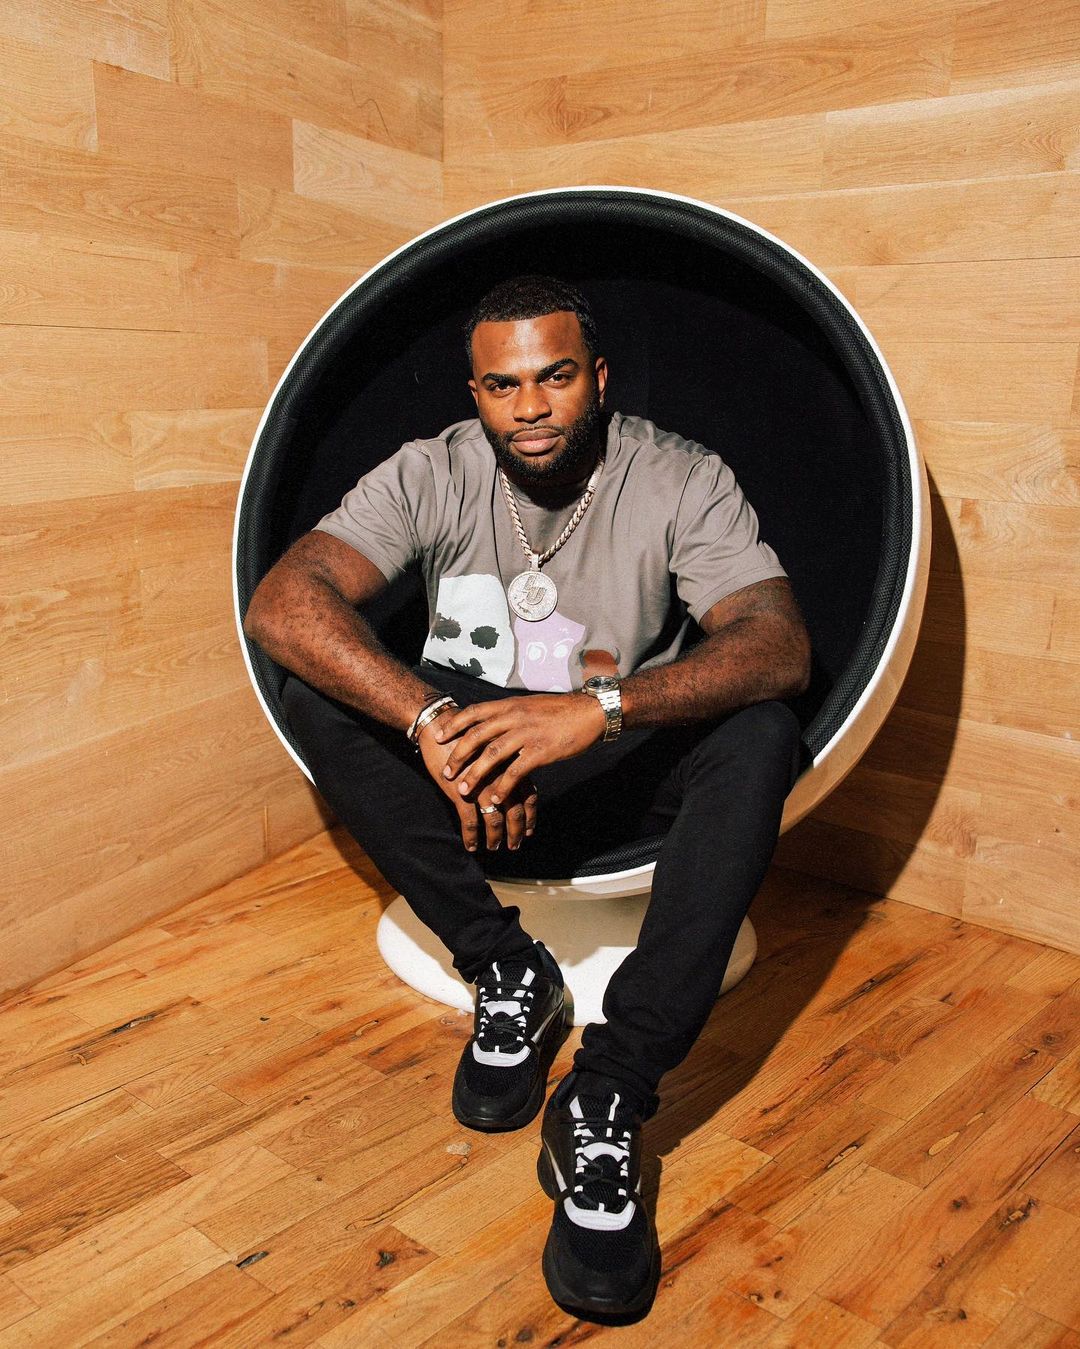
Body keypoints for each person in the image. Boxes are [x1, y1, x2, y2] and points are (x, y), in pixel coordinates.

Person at [243, 275, 811, 1321]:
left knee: (762, 728)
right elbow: (284, 600)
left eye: (556, 377)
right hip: (466, 760)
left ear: (599, 377)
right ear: (476, 394)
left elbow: (776, 644)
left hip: (617, 755)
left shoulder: (679, 476)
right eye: (503, 386)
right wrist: (429, 720)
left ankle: (608, 1092)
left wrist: (600, 708)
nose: (532, 407)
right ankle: (507, 967)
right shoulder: (433, 470)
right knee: (311, 687)